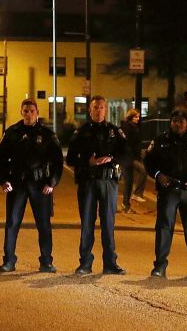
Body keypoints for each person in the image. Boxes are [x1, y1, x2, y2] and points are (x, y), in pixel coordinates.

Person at [0, 99, 62, 273]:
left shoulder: (47, 134)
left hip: (40, 185)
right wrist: (3, 180)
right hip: (17, 184)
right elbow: (1, 158)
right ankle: (9, 261)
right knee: (12, 223)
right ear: (21, 112)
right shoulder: (13, 132)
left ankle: (46, 261)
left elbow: (57, 161)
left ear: (37, 113)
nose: (28, 114)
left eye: (32, 111)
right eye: (25, 111)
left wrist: (52, 182)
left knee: (44, 225)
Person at [143, 110, 187, 278]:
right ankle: (160, 265)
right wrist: (158, 175)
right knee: (164, 228)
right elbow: (148, 161)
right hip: (169, 190)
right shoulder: (161, 141)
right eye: (174, 121)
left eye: (181, 121)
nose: (178, 124)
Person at [66, 95, 129, 275]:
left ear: (106, 110)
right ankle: (85, 263)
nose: (98, 110)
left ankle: (110, 263)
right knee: (87, 223)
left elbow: (127, 156)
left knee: (108, 224)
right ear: (90, 110)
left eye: (101, 107)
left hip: (108, 182)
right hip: (88, 181)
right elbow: (70, 158)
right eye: (95, 107)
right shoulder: (81, 132)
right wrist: (88, 162)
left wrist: (112, 159)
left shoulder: (115, 132)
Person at [118, 108, 146, 213]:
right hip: (127, 157)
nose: (138, 119)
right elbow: (126, 142)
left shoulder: (134, 127)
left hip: (132, 157)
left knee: (128, 182)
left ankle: (126, 205)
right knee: (143, 170)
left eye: (138, 117)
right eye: (135, 117)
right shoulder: (127, 127)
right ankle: (137, 194)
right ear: (130, 117)